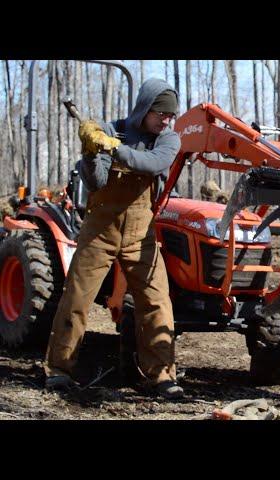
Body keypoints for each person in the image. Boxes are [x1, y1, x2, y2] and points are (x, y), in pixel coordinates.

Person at [44, 78, 184, 400]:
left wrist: (112, 147)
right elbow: (96, 182)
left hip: (141, 233)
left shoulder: (169, 140)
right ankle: (59, 370)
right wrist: (91, 153)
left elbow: (152, 164)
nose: (166, 120)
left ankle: (162, 377)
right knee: (76, 299)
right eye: (161, 114)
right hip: (100, 229)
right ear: (145, 108)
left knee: (157, 303)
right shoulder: (112, 129)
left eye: (170, 115)